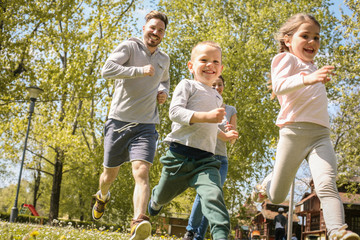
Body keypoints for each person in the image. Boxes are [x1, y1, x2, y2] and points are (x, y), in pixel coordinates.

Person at [252, 13, 360, 240]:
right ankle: (265, 186)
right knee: (278, 193)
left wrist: (314, 79)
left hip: (321, 136)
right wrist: (308, 80)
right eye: (306, 36)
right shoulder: (286, 60)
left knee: (327, 183)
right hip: (293, 133)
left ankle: (337, 231)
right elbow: (280, 85)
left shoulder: (314, 68)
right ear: (288, 40)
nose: (312, 42)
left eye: (317, 37)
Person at [147, 41, 238, 240]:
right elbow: (175, 112)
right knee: (163, 196)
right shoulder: (187, 85)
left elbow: (211, 128)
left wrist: (225, 131)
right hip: (179, 156)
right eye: (203, 60)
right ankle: (155, 200)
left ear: (221, 68)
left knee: (214, 196)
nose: (210, 65)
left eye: (215, 61)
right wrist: (206, 117)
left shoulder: (217, 97)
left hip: (206, 160)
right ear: (191, 66)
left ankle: (221, 235)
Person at [92, 10, 170, 240]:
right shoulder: (129, 47)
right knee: (109, 175)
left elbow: (163, 80)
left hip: (146, 123)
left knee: (142, 171)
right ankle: (102, 196)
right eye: (152, 28)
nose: (155, 33)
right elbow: (107, 70)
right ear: (144, 27)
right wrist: (139, 71)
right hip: (119, 121)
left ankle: (138, 220)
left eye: (160, 30)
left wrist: (163, 91)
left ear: (164, 34)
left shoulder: (164, 58)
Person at [183, 75, 238, 240]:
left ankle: (198, 236)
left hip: (221, 160)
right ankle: (190, 231)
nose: (216, 88)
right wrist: (224, 135)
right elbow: (206, 128)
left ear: (223, 87)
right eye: (213, 85)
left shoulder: (231, 110)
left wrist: (231, 132)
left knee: (212, 198)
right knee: (204, 194)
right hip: (205, 156)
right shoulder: (204, 105)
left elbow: (233, 138)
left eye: (219, 84)